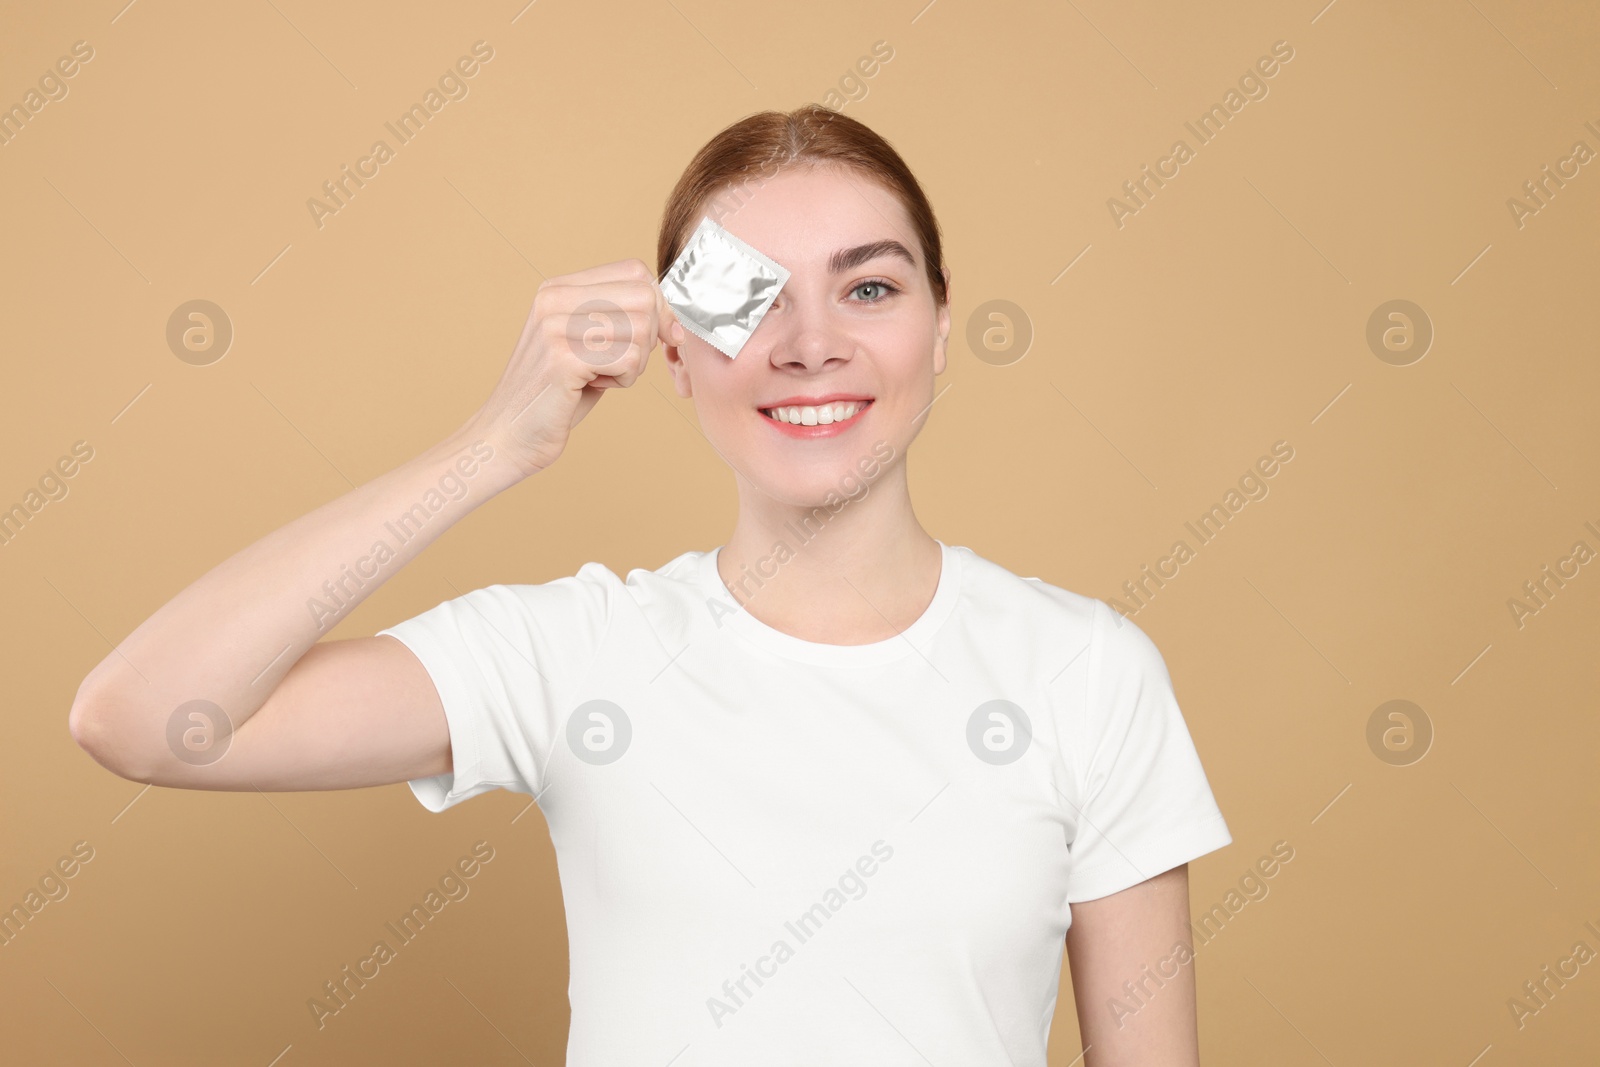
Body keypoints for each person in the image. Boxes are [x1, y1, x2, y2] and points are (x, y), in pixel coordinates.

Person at [69, 104, 1232, 1066]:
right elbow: (144, 720)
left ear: (937, 329)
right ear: (677, 353)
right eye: (754, 298)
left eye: (869, 288)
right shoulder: (582, 651)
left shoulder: (1086, 672)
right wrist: (493, 444)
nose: (810, 342)